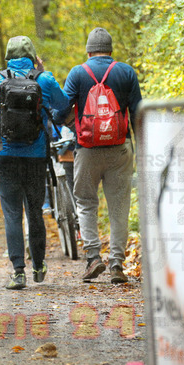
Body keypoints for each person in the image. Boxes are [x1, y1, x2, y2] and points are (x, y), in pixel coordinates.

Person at [0, 36, 69, 290]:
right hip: (35, 155)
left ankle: (18, 271)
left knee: (12, 213)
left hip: (5, 155)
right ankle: (38, 266)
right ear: (32, 56)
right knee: (34, 210)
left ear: (8, 57)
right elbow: (63, 105)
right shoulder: (44, 79)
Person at [56, 27, 142, 284]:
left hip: (87, 150)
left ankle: (93, 257)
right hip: (120, 148)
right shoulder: (126, 72)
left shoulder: (78, 73)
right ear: (110, 50)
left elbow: (60, 112)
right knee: (119, 207)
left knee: (85, 202)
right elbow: (138, 113)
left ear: (89, 51)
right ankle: (117, 264)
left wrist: (73, 124)